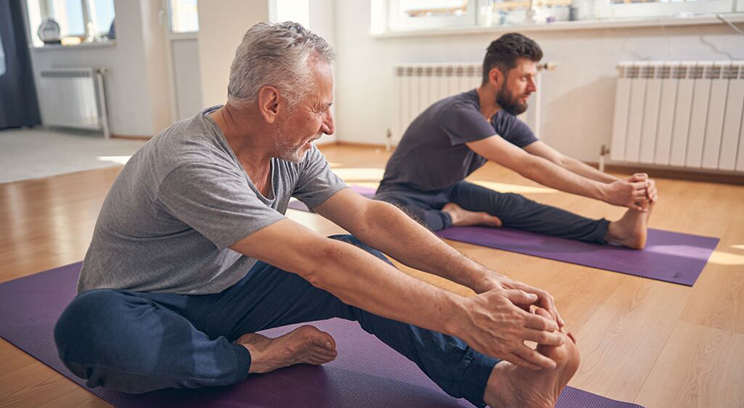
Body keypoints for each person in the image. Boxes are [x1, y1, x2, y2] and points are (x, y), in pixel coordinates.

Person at [54, 22, 579, 408]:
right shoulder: (189, 162)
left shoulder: (290, 150)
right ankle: (255, 357)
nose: (330, 124)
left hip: (226, 293)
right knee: (85, 330)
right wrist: (465, 316)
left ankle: (495, 384)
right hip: (143, 307)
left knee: (359, 257)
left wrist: (483, 280)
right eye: (320, 107)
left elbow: (371, 219)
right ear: (272, 104)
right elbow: (315, 261)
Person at [375, 33, 657, 249]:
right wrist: (607, 195)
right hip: (403, 192)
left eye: (534, 78)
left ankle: (617, 232)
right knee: (390, 226)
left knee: (513, 205)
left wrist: (620, 186)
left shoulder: (501, 118)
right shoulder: (460, 113)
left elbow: (559, 160)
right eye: (525, 78)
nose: (533, 88)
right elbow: (528, 166)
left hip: (449, 189)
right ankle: (456, 217)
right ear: (496, 76)